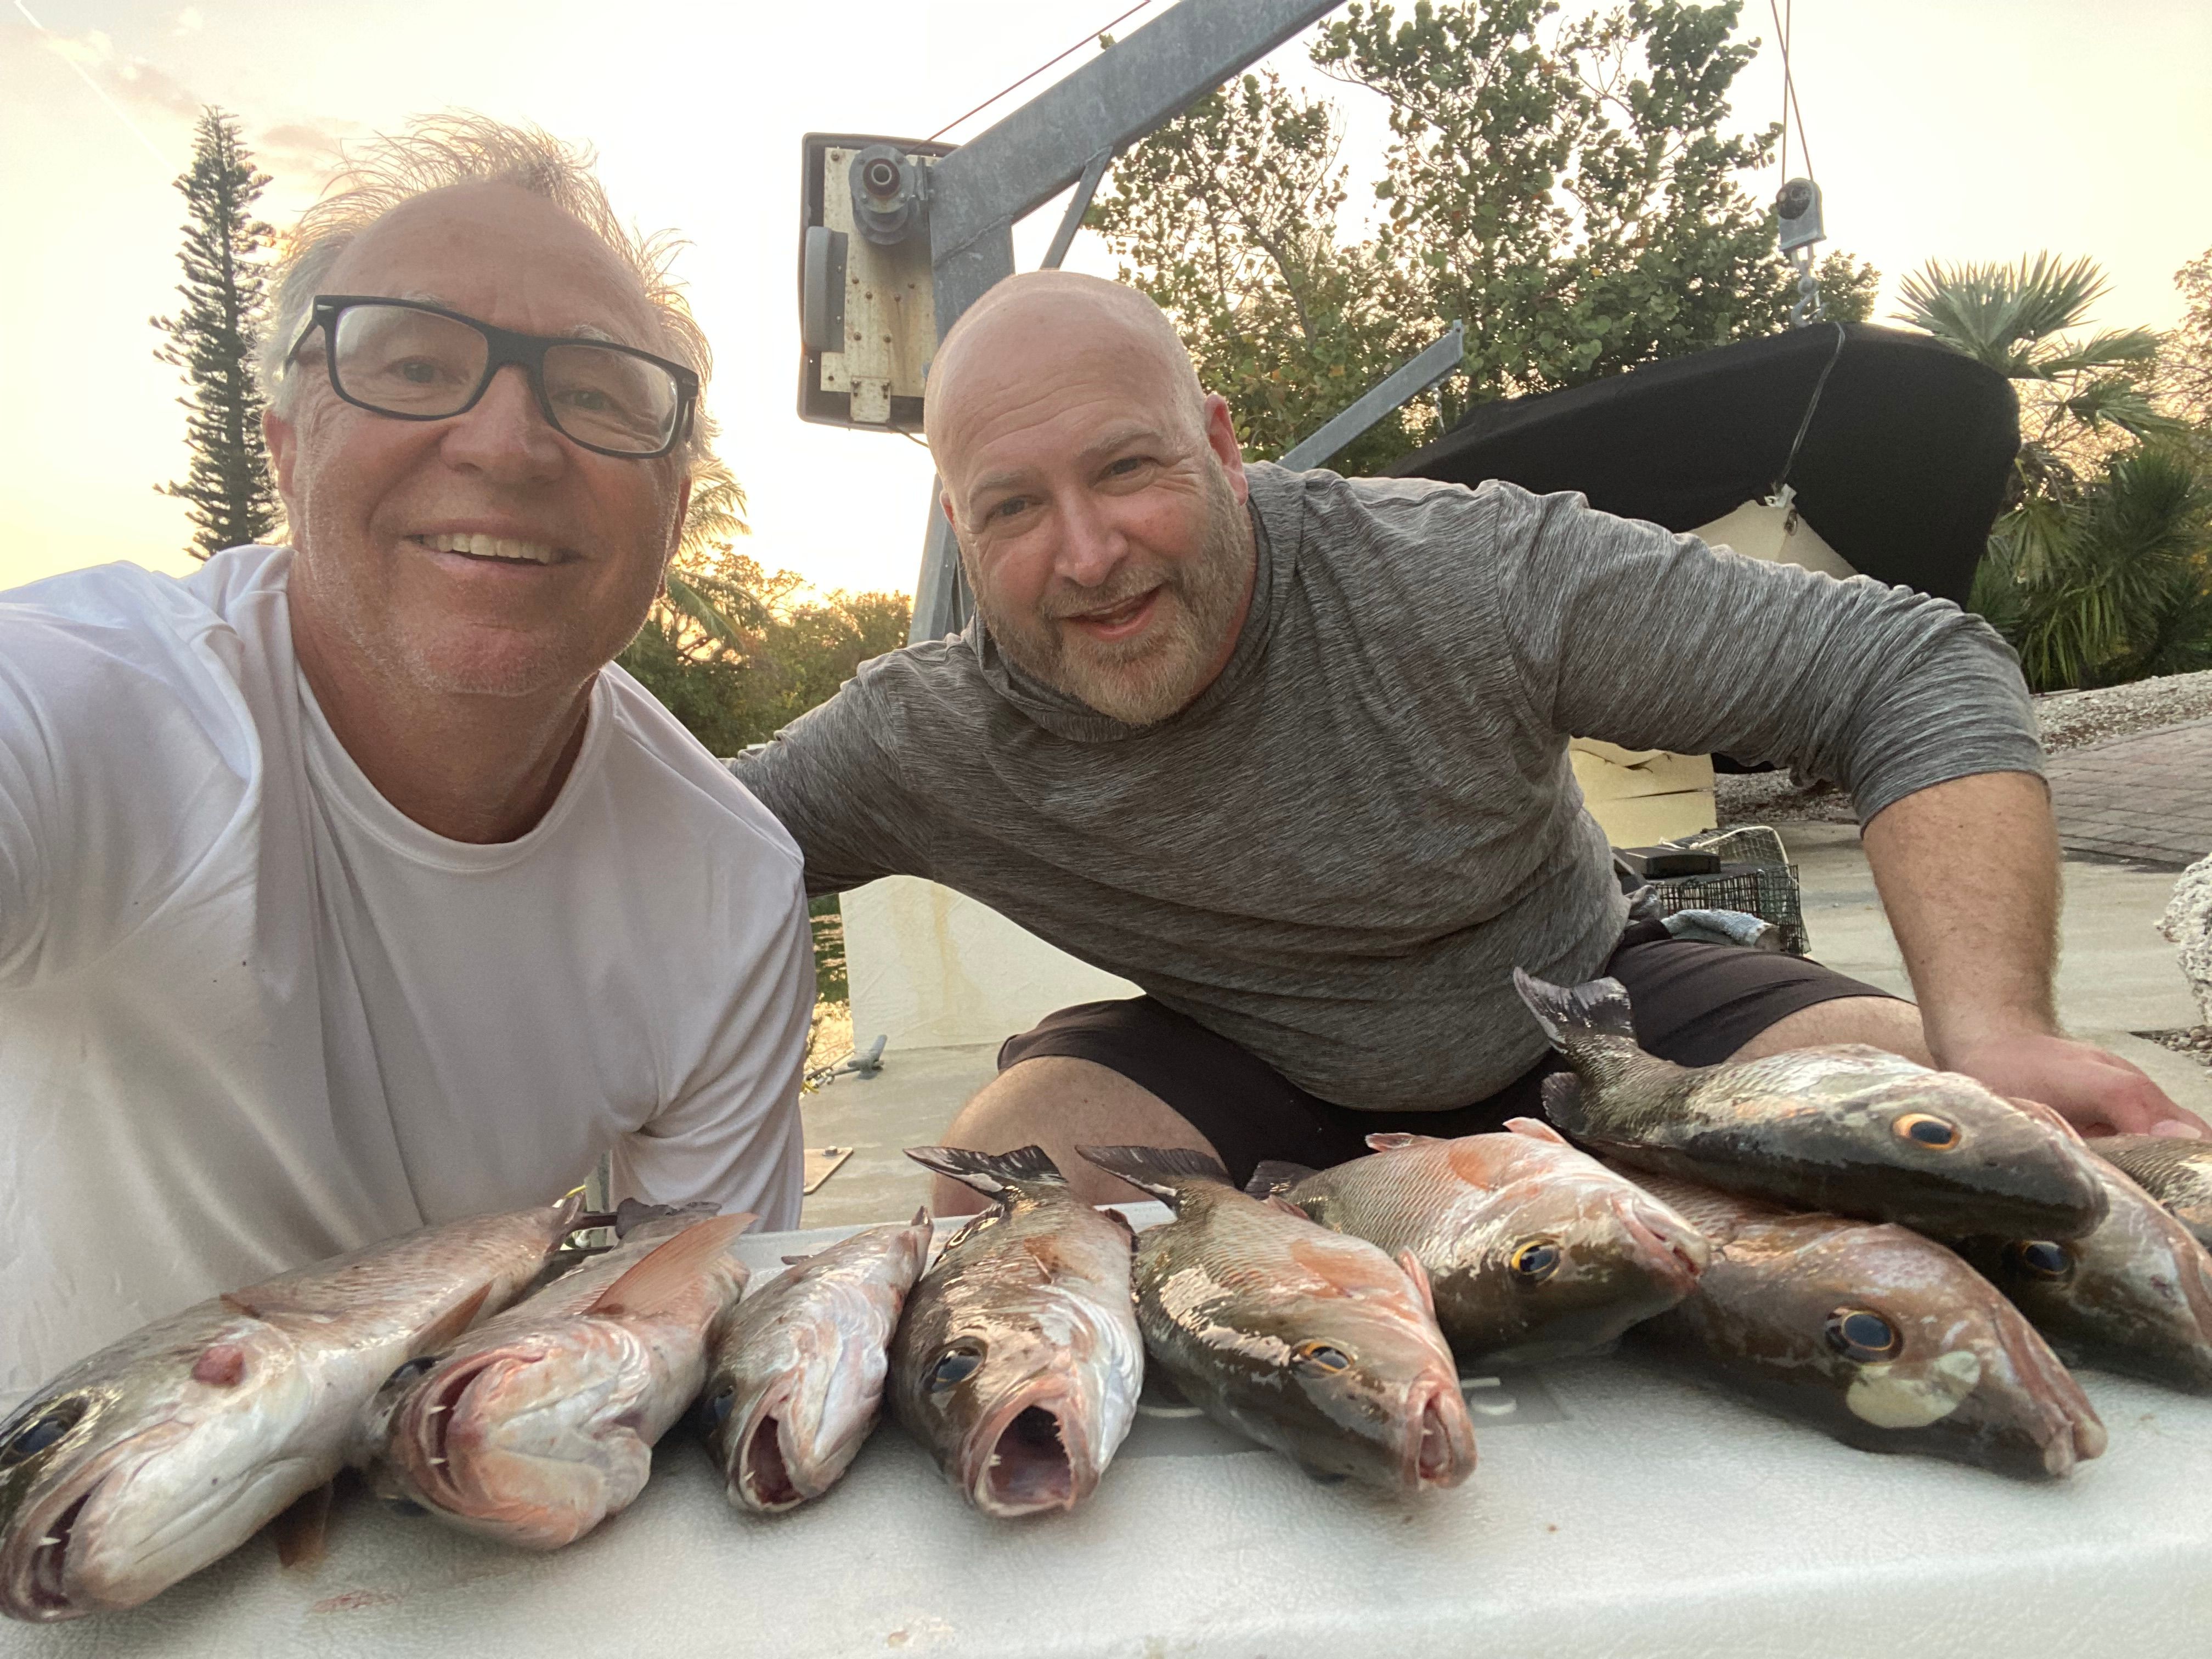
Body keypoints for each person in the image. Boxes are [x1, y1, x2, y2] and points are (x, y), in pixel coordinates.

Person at [732, 270, 2207, 1216]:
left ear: (1225, 446)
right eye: (1012, 507)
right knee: (987, 1221)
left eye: (1129, 468)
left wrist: (1998, 1030)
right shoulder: (920, 736)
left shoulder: (1465, 575)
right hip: (1226, 1049)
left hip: (1585, 996)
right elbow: (676, 848)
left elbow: (1904, 662)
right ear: (955, 528)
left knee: (1970, 1141)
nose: (1089, 553)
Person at [0, 117, 811, 1398]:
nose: (507, 443)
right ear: (285, 444)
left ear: (673, 505)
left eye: (598, 393)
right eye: (415, 365)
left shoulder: (728, 882)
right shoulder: (92, 709)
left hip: (434, 1540)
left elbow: (679, 1336)